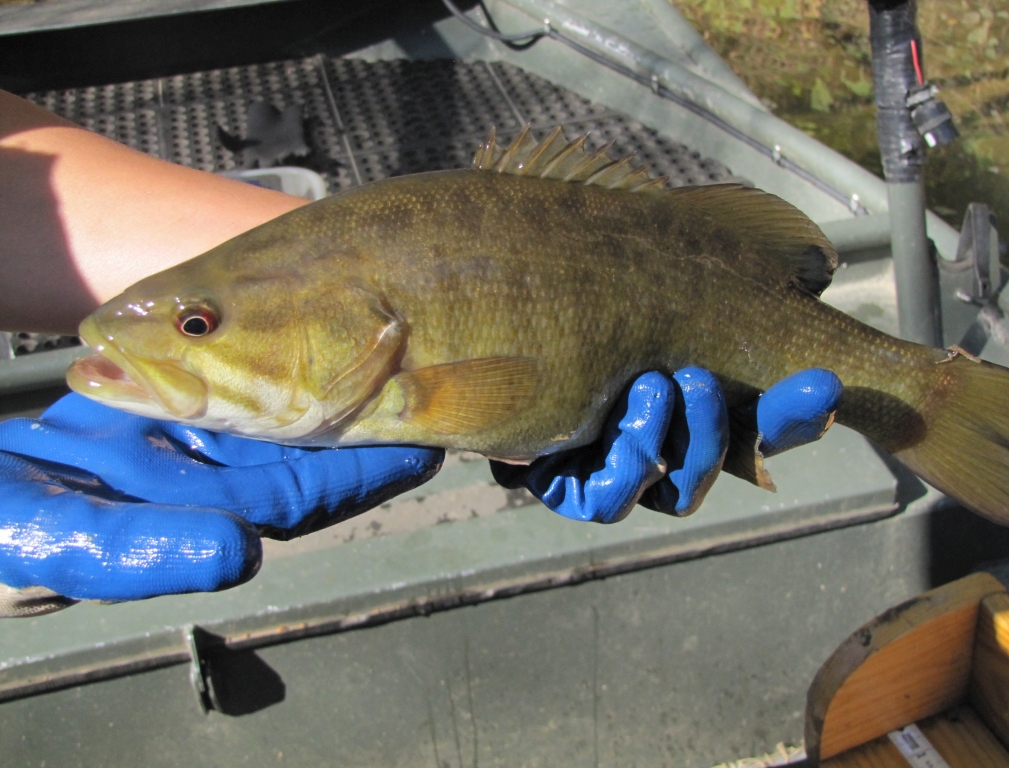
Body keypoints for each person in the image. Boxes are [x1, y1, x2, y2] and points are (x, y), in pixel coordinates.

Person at [0, 90, 842, 617]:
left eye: (195, 326)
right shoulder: (348, 310)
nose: (133, 336)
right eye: (200, 326)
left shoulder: (361, 311)